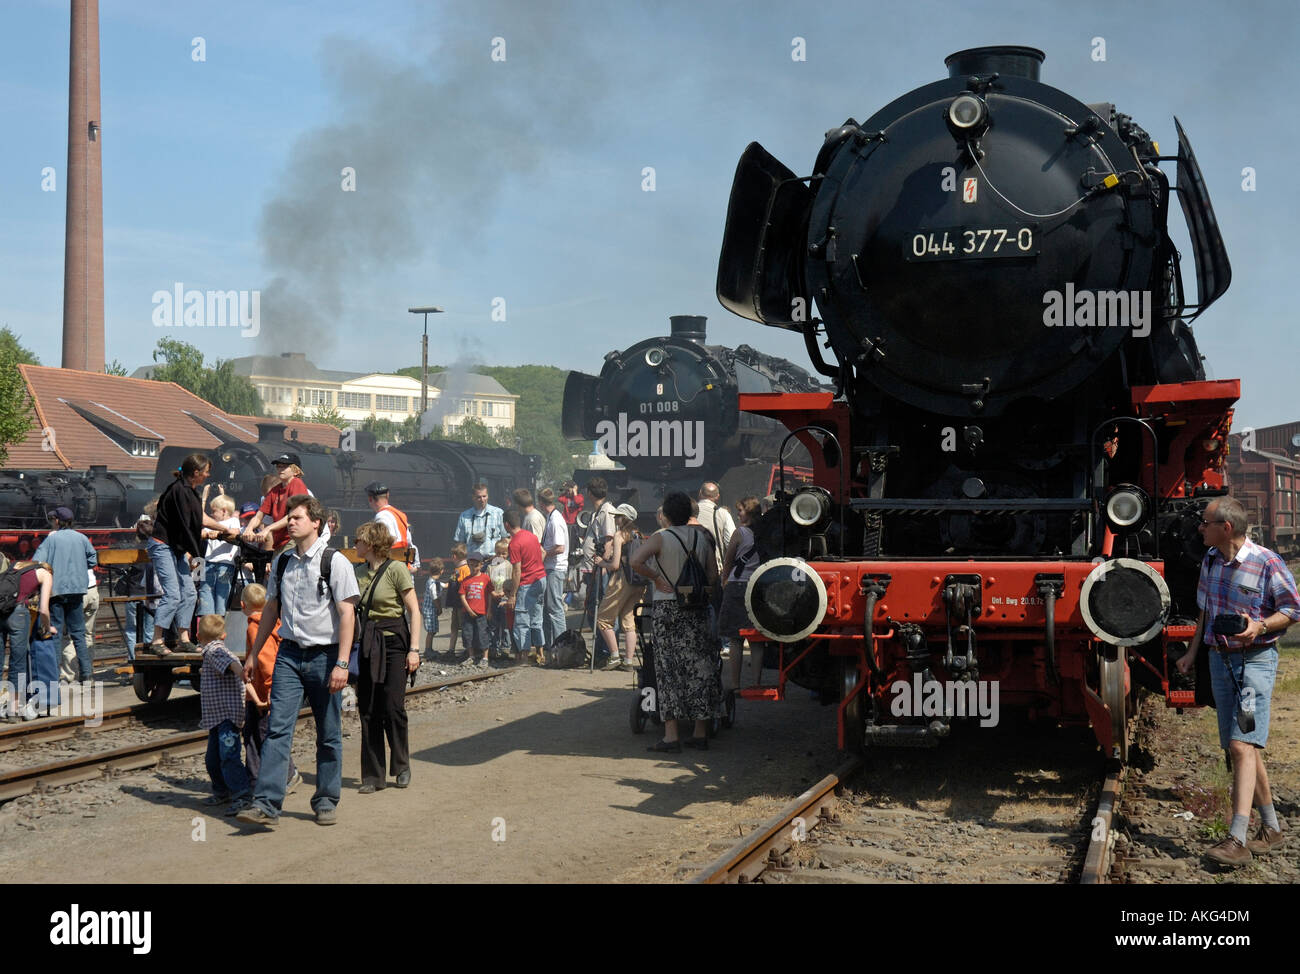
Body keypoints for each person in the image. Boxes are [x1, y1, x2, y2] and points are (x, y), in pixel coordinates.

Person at [1175, 495, 1298, 865]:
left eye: (1206, 522)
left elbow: (1292, 608)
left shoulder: (1266, 562)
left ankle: (1236, 838)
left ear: (1225, 528)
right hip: (1219, 661)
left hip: (1255, 661)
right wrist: (1192, 653)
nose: (1199, 528)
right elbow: (1204, 609)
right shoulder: (1211, 560)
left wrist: (1259, 626)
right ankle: (1272, 828)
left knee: (1243, 745)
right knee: (1240, 745)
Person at [237, 494, 360, 829]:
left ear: (316, 523)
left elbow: (347, 615)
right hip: (289, 655)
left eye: (298, 517)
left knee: (329, 731)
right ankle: (265, 804)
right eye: (289, 517)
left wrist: (343, 664)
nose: (290, 522)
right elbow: (270, 610)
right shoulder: (282, 561)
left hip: (325, 656)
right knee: (277, 729)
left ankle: (325, 800)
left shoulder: (335, 562)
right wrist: (251, 654)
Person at [630, 491, 719, 753]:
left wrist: (656, 578)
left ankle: (671, 736)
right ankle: (699, 732)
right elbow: (713, 575)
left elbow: (635, 561)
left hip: (667, 608)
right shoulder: (702, 538)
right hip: (696, 607)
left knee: (668, 670)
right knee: (699, 667)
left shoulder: (661, 538)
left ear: (666, 515)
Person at [353, 522, 421, 792]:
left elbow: (413, 611)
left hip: (394, 644)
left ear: (370, 543)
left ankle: (402, 765)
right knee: (368, 710)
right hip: (368, 642)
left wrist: (414, 650)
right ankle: (373, 776)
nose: (355, 544)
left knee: (393, 708)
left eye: (358, 540)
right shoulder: (356, 573)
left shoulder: (396, 570)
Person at [149, 454, 233, 656]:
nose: (208, 475)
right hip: (162, 545)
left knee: (190, 592)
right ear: (196, 473)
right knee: (173, 593)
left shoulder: (190, 492)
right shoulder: (179, 491)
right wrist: (196, 552)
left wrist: (222, 529)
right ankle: (157, 639)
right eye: (205, 471)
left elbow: (199, 517)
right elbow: (190, 524)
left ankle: (184, 638)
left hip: (175, 548)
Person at [239, 583, 300, 794]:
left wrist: (267, 694)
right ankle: (274, 777)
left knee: (257, 738)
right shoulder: (275, 624)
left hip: (262, 696)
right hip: (267, 692)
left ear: (242, 605)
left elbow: (265, 664)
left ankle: (269, 780)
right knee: (266, 736)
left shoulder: (254, 628)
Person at [196, 613, 253, 816]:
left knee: (228, 756)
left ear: (197, 635)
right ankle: (222, 791)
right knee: (213, 758)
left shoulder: (214, 651)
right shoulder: (215, 650)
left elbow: (232, 665)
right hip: (216, 717)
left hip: (227, 716)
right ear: (225, 634)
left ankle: (242, 794)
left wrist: (243, 674)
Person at [33, 507, 98, 683]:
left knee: (54, 633)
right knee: (79, 634)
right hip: (77, 590)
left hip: (56, 591)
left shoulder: (51, 540)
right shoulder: (82, 538)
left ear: (56, 521)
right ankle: (86, 675)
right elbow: (93, 560)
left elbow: (36, 562)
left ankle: (53, 675)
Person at [0, 558, 53, 721]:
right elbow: (43, 609)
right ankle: (13, 710)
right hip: (18, 613)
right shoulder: (46, 574)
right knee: (18, 662)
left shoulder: (14, 567)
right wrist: (47, 626)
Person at [718, 496, 763, 690]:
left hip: (737, 586)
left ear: (749, 512)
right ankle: (756, 683)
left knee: (735, 638)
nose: (738, 513)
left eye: (741, 510)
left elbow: (728, 560)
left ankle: (735, 683)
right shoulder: (764, 533)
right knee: (756, 637)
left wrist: (724, 580)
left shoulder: (740, 533)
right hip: (757, 586)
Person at [596, 503, 647, 670]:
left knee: (603, 619)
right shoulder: (638, 534)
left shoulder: (620, 535)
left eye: (617, 516)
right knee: (629, 621)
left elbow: (615, 565)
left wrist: (602, 562)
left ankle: (615, 656)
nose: (615, 518)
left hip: (622, 581)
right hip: (638, 582)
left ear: (623, 518)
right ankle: (629, 661)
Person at [505, 508, 547, 664]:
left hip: (527, 584)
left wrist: (513, 595)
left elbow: (517, 571)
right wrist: (535, 567)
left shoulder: (514, 543)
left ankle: (523, 656)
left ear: (506, 525)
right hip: (541, 579)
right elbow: (543, 553)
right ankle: (540, 653)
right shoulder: (531, 536)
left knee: (522, 621)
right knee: (537, 619)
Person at [243, 453, 308, 550]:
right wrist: (249, 529)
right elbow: (259, 516)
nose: (280, 469)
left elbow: (292, 515)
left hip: (294, 540)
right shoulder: (275, 490)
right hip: (280, 542)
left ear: (296, 471)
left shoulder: (296, 483)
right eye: (278, 466)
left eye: (284, 467)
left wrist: (268, 529)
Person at [579, 477, 617, 630]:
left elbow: (609, 539)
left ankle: (604, 646)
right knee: (592, 605)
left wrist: (604, 565)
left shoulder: (606, 511)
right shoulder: (599, 511)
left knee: (601, 605)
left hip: (600, 569)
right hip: (593, 567)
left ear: (590, 493)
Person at [120, 514, 157, 662]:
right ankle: (148, 660)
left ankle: (133, 660)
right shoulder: (157, 549)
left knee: (131, 630)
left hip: (134, 593)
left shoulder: (131, 549)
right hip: (152, 595)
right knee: (149, 630)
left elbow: (123, 570)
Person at [199, 494, 241, 617]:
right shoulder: (211, 524)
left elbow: (235, 532)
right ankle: (207, 620)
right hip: (208, 563)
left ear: (224, 511)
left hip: (226, 564)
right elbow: (201, 532)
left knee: (222, 594)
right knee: (205, 592)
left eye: (213, 511)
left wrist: (218, 533)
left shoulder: (233, 521)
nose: (212, 514)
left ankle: (219, 622)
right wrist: (208, 534)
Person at [537, 488, 569, 651]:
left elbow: (560, 547)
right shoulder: (552, 517)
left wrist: (544, 554)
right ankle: (553, 645)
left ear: (541, 503)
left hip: (555, 567)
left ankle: (561, 645)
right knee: (551, 607)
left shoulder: (555, 520)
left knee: (555, 607)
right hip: (551, 567)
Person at [366, 482, 417, 568]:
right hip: (403, 564)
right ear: (388, 495)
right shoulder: (401, 515)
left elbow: (385, 542)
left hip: (391, 566)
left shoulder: (381, 516)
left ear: (370, 499)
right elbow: (408, 541)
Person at [453, 484, 505, 563]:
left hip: (494, 561)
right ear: (473, 497)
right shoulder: (464, 516)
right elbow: (460, 543)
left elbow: (505, 539)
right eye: (479, 497)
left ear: (488, 496)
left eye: (484, 496)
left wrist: (500, 556)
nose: (482, 499)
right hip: (472, 564)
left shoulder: (498, 513)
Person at [458, 555, 491, 667]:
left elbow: (490, 594)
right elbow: (462, 596)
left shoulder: (486, 578)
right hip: (468, 613)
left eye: (475, 565)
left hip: (482, 612)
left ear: (481, 565)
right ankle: (471, 656)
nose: (473, 567)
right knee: (468, 634)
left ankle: (485, 657)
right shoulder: (465, 580)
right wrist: (468, 609)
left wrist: (489, 609)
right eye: (470, 565)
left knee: (483, 634)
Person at [696, 482, 736, 573]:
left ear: (700, 493)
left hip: (692, 569)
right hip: (715, 568)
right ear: (717, 496)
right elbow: (731, 542)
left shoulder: (688, 513)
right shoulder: (723, 514)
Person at [486, 538, 513, 658]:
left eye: (504, 553)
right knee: (493, 625)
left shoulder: (509, 566)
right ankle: (494, 647)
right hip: (493, 598)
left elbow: (511, 582)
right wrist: (492, 592)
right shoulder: (490, 567)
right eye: (498, 553)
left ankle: (506, 647)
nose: (501, 556)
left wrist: (504, 592)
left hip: (504, 598)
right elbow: (487, 583)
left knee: (505, 625)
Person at [445, 543, 470, 657]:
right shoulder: (457, 569)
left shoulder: (465, 569)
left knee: (464, 627)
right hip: (456, 604)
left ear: (454, 556)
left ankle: (467, 650)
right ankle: (451, 649)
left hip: (461, 604)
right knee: (454, 626)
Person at [421, 557, 445, 657]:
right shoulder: (433, 584)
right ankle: (428, 650)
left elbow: (442, 584)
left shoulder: (431, 581)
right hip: (430, 610)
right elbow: (435, 598)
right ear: (441, 571)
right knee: (431, 631)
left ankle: (429, 649)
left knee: (432, 630)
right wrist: (439, 608)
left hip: (428, 610)